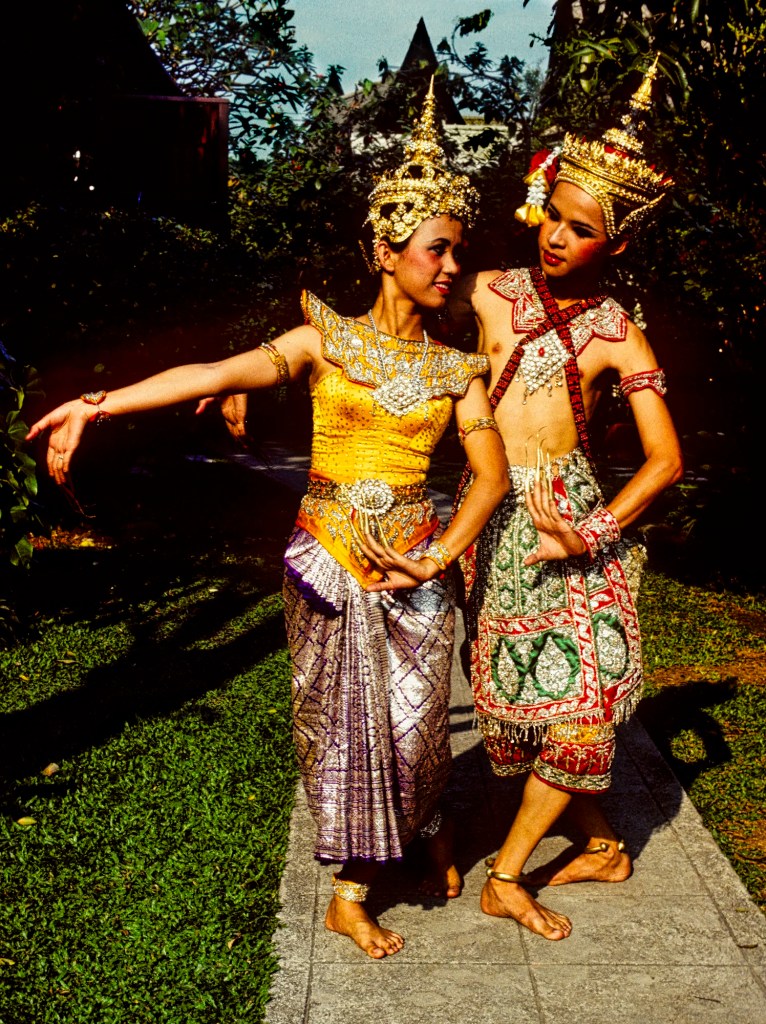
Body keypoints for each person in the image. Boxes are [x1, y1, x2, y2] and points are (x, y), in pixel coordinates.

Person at [25, 83, 510, 960]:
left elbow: (489, 475)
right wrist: (100, 404)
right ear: (387, 248)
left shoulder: (457, 369)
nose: (450, 270)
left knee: (421, 722)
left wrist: (437, 553)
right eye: (437, 251)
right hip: (328, 557)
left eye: (456, 254)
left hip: (416, 565)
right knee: (341, 724)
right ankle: (351, 891)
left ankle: (431, 823)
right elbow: (216, 370)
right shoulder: (322, 339)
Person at [448, 59, 684, 940]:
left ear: (614, 243)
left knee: (581, 715)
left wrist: (590, 534)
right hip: (497, 521)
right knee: (521, 712)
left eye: (581, 229)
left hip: (575, 530)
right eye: (554, 214)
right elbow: (401, 335)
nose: (556, 236)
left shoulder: (617, 329)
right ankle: (605, 845)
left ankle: (507, 875)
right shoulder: (486, 294)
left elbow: (664, 461)